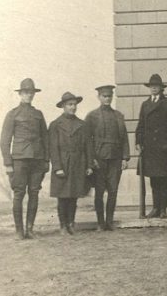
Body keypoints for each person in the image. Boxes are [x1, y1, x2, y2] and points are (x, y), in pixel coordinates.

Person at [3, 79, 47, 239]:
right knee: (19, 194)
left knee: (34, 193)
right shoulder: (13, 114)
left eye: (31, 92)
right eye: (26, 92)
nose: (29, 95)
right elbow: (4, 141)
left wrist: (46, 161)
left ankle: (30, 229)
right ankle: (19, 231)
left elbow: (45, 138)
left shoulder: (38, 114)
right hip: (19, 160)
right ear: (20, 94)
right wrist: (8, 163)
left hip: (37, 160)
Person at [48, 92, 94, 235]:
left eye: (74, 104)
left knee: (73, 196)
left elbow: (88, 146)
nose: (73, 107)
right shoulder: (55, 125)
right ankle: (63, 225)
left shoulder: (82, 125)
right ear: (63, 106)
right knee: (62, 197)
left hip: (77, 164)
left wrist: (89, 165)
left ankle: (71, 224)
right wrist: (57, 167)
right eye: (69, 105)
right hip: (62, 164)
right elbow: (53, 148)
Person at [136, 74, 167, 219]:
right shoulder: (145, 104)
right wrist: (138, 141)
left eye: (156, 86)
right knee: (153, 179)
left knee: (163, 178)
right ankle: (155, 207)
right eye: (151, 86)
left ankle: (163, 209)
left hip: (164, 148)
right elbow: (140, 125)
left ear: (161, 88)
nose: (153, 89)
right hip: (149, 148)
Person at [86, 85, 129, 230]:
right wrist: (91, 159)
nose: (107, 99)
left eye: (109, 96)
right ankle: (100, 222)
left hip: (115, 158)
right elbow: (87, 140)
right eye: (104, 96)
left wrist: (125, 158)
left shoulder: (118, 115)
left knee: (113, 190)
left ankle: (109, 221)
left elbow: (124, 138)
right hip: (99, 159)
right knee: (99, 191)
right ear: (99, 97)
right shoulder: (92, 116)